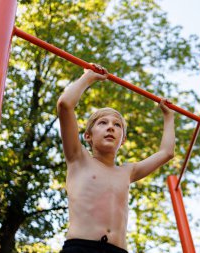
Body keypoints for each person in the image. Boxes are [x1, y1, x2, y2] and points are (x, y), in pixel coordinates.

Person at [57, 64, 175, 253]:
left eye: (117, 125)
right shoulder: (78, 159)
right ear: (88, 136)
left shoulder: (127, 172)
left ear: (123, 140)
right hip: (81, 248)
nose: (110, 127)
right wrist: (88, 77)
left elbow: (166, 153)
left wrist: (168, 116)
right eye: (103, 123)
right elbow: (65, 105)